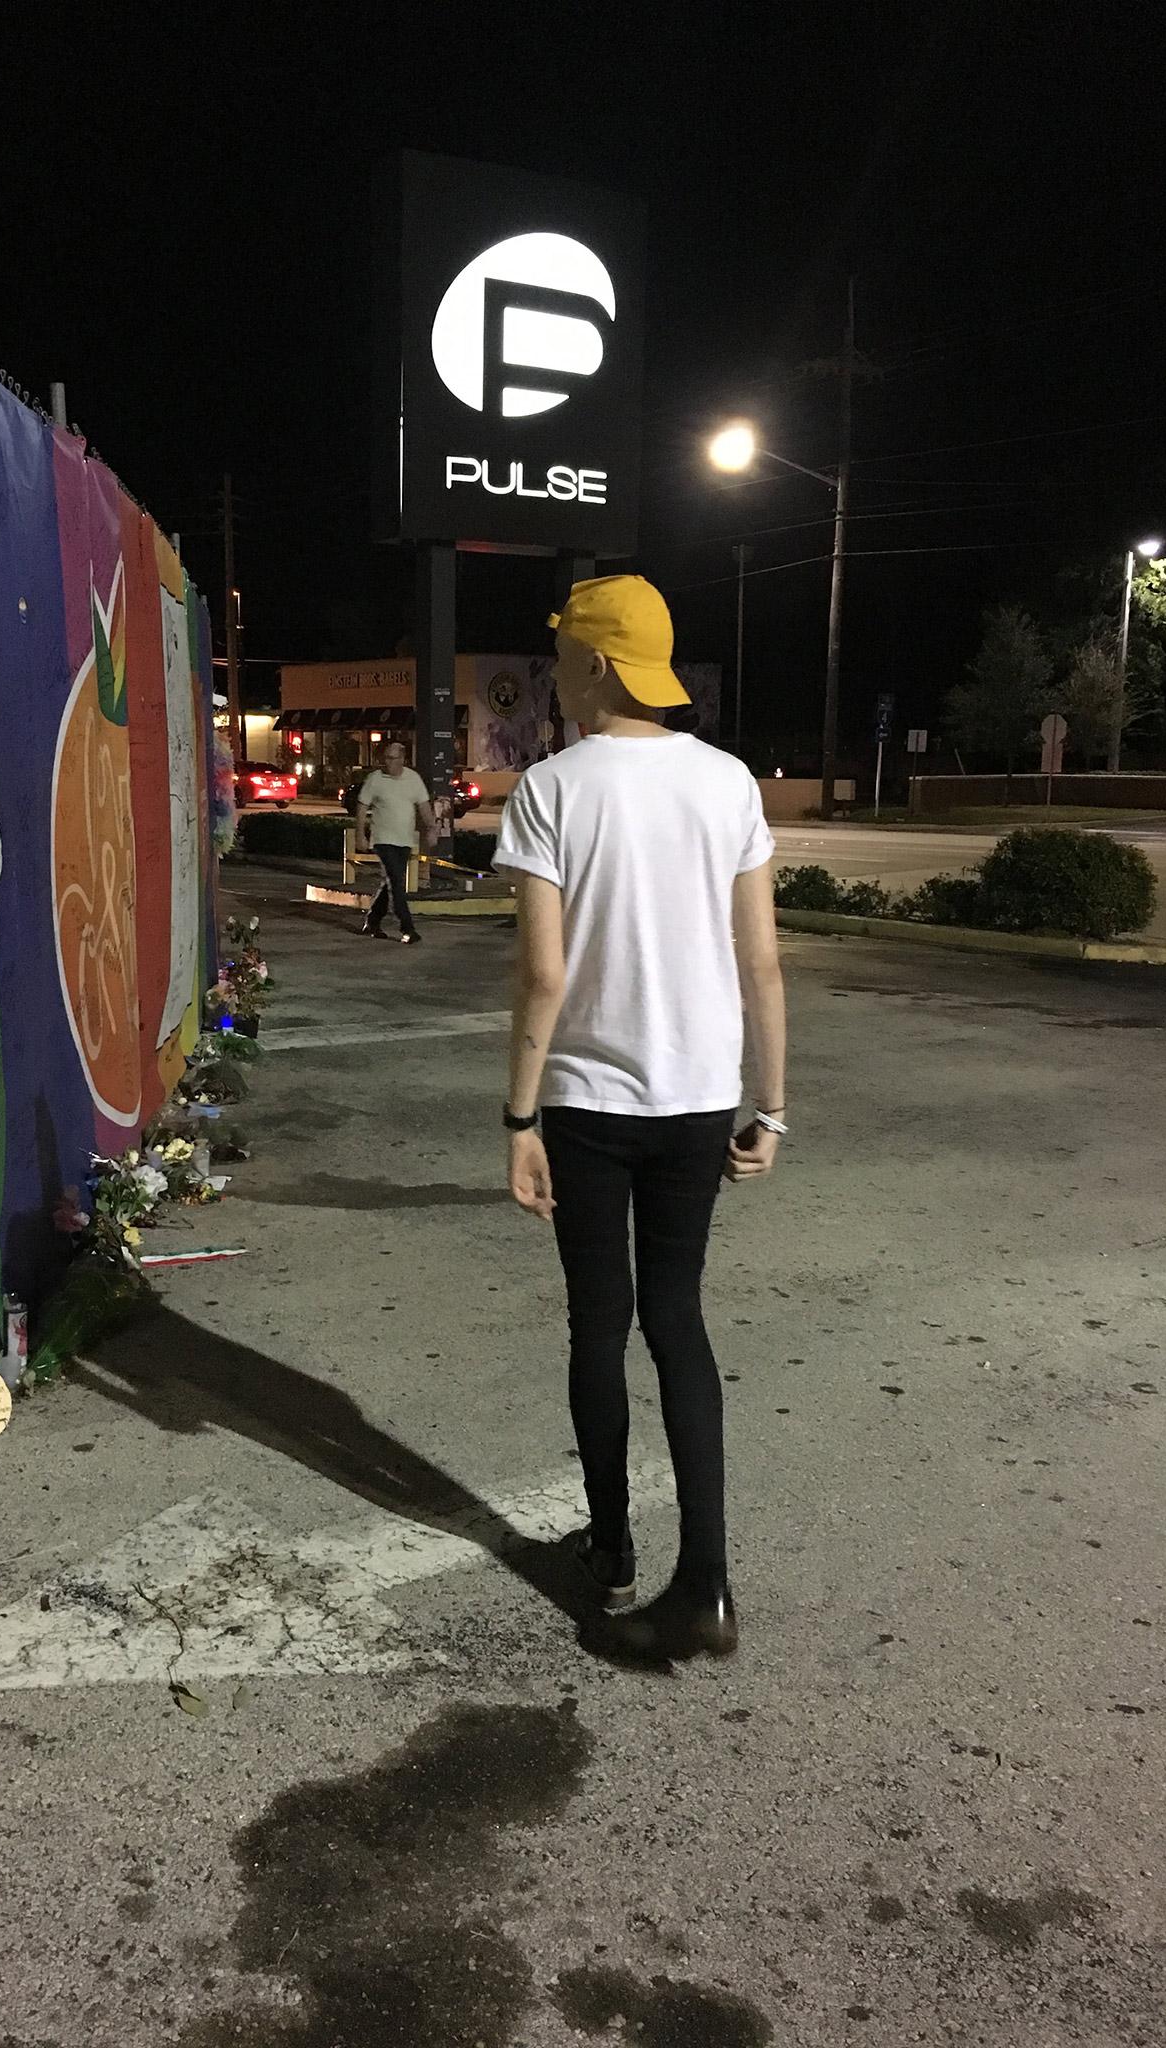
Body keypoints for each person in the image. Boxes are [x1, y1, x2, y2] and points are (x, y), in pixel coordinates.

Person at [494, 575, 787, 1660]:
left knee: (597, 1323)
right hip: (703, 1098)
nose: (559, 672)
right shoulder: (727, 784)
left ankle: (611, 1544)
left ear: (599, 666)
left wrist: (518, 1115)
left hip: (587, 1105)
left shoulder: (554, 788)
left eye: (567, 653)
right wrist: (776, 1109)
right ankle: (706, 1583)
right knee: (679, 1320)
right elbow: (761, 961)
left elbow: (541, 974)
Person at [356, 741, 435, 945]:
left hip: (404, 840)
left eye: (393, 758)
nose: (388, 762)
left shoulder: (413, 779)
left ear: (402, 759)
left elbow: (424, 806)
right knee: (397, 883)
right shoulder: (376, 779)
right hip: (383, 840)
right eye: (386, 758)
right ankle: (407, 927)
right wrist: (360, 835)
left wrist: (431, 829)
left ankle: (372, 921)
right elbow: (362, 807)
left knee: (392, 881)